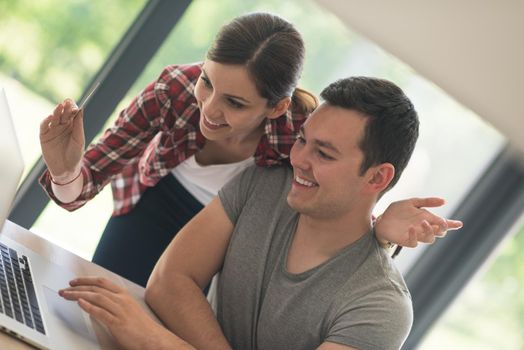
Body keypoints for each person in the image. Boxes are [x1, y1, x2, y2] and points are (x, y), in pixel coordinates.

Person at [41, 12, 449, 287]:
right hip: (147, 209)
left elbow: (336, 206)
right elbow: (81, 187)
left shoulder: (297, 136)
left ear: (277, 107)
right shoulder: (175, 91)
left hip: (222, 247)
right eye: (208, 81)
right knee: (91, 304)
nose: (210, 108)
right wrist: (65, 171)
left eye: (235, 103)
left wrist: (382, 231)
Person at [59, 76, 463, 349]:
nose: (299, 159)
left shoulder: (381, 308)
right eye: (303, 140)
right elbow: (170, 280)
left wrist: (156, 340)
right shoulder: (266, 184)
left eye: (323, 153)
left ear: (377, 178)